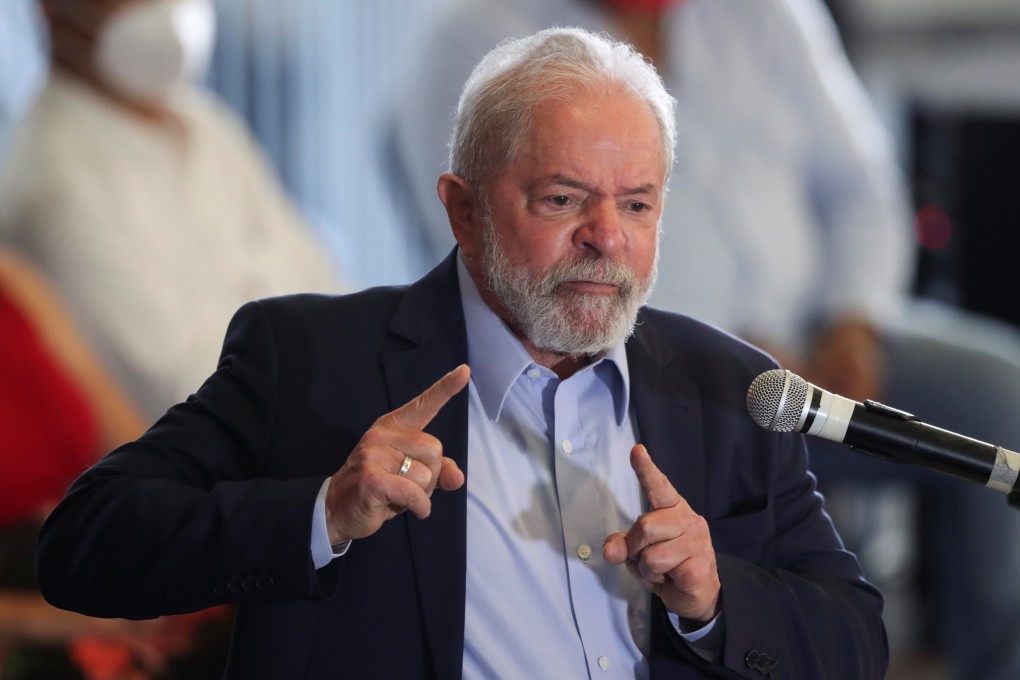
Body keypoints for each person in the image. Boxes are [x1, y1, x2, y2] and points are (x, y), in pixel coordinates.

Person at [37, 27, 887, 679]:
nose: (606, 241)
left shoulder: (728, 386)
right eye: (563, 200)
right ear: (462, 209)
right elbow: (82, 548)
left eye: (636, 205)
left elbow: (857, 640)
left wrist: (716, 601)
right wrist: (320, 515)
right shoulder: (307, 362)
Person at [382, 1, 1020, 677]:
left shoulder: (772, 15)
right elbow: (507, 266)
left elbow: (862, 185)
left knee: (998, 394)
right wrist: (720, 349)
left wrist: (854, 321)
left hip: (821, 340)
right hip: (648, 352)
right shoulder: (473, 36)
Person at [0, 0, 345, 421]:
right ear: (51, 9)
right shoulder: (52, 191)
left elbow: (334, 297)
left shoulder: (208, 126)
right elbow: (195, 397)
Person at [0, 245, 230, 680]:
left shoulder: (12, 281)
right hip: (34, 626)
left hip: (102, 564)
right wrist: (63, 621)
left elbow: (140, 455)